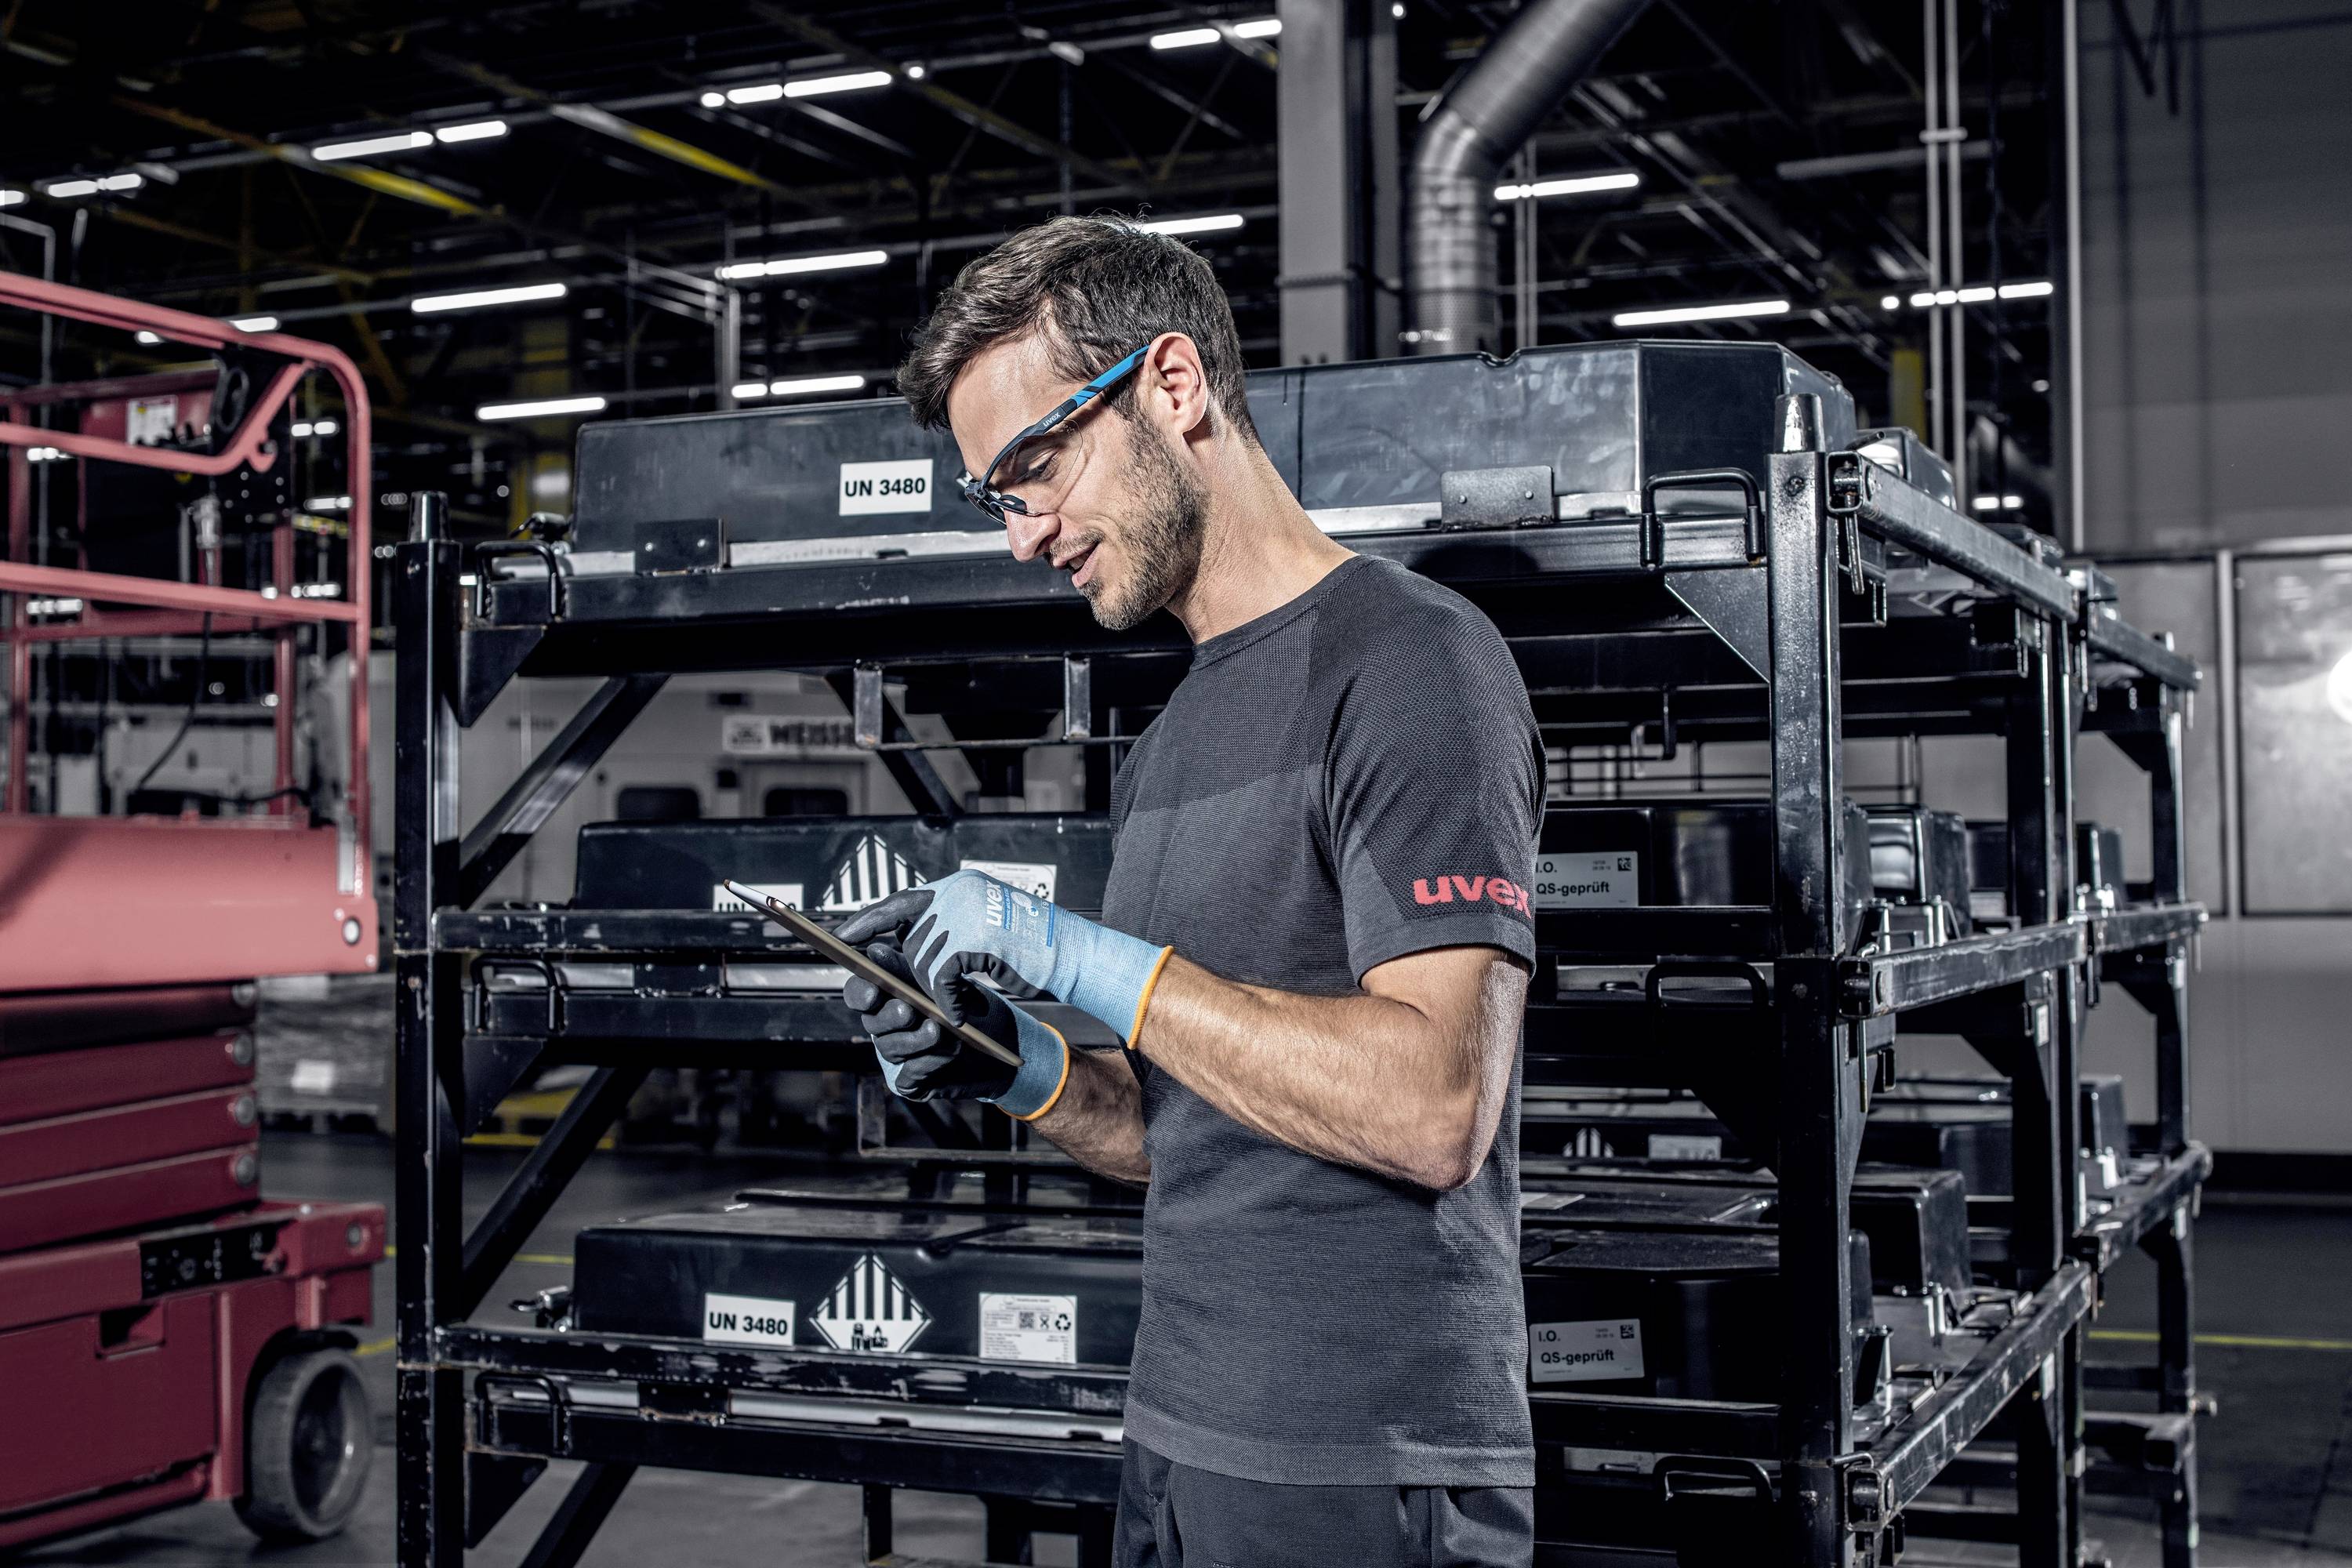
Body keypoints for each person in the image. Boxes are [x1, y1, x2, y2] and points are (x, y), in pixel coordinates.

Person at [837, 215, 1542, 1568]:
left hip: (1361, 1467)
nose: (1024, 535)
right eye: (999, 494)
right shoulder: (1167, 744)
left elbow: (1436, 1107)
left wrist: (1077, 952)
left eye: (1037, 467)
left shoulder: (1409, 663)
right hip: (1175, 1437)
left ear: (1173, 385)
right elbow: (1189, 1135)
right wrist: (1009, 1060)